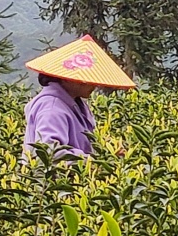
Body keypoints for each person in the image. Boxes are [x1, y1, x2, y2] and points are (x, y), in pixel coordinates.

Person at [23, 34, 135, 163]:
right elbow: (49, 152)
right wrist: (95, 161)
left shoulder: (74, 103)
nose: (94, 84)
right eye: (87, 79)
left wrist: (107, 152)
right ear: (68, 79)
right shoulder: (52, 107)